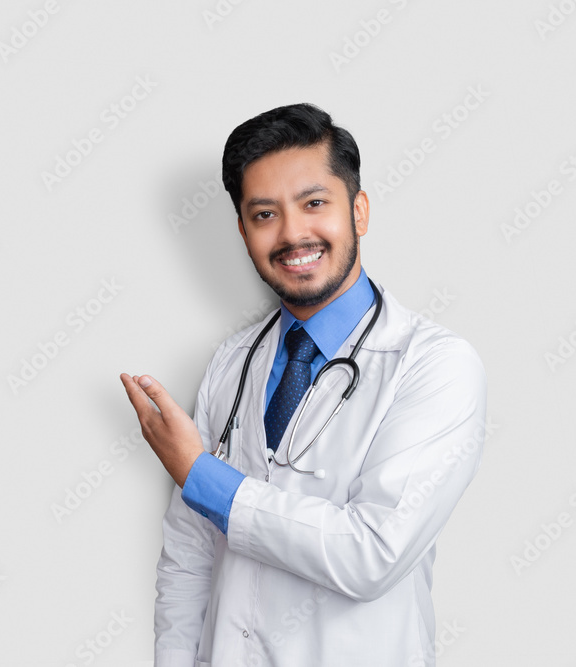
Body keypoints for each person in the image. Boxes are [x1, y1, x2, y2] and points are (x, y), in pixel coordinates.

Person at [120, 103, 487, 666]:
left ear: (358, 211)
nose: (293, 234)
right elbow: (188, 554)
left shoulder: (435, 366)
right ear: (243, 232)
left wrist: (201, 474)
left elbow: (373, 555)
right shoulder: (233, 361)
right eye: (264, 214)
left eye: (314, 204)